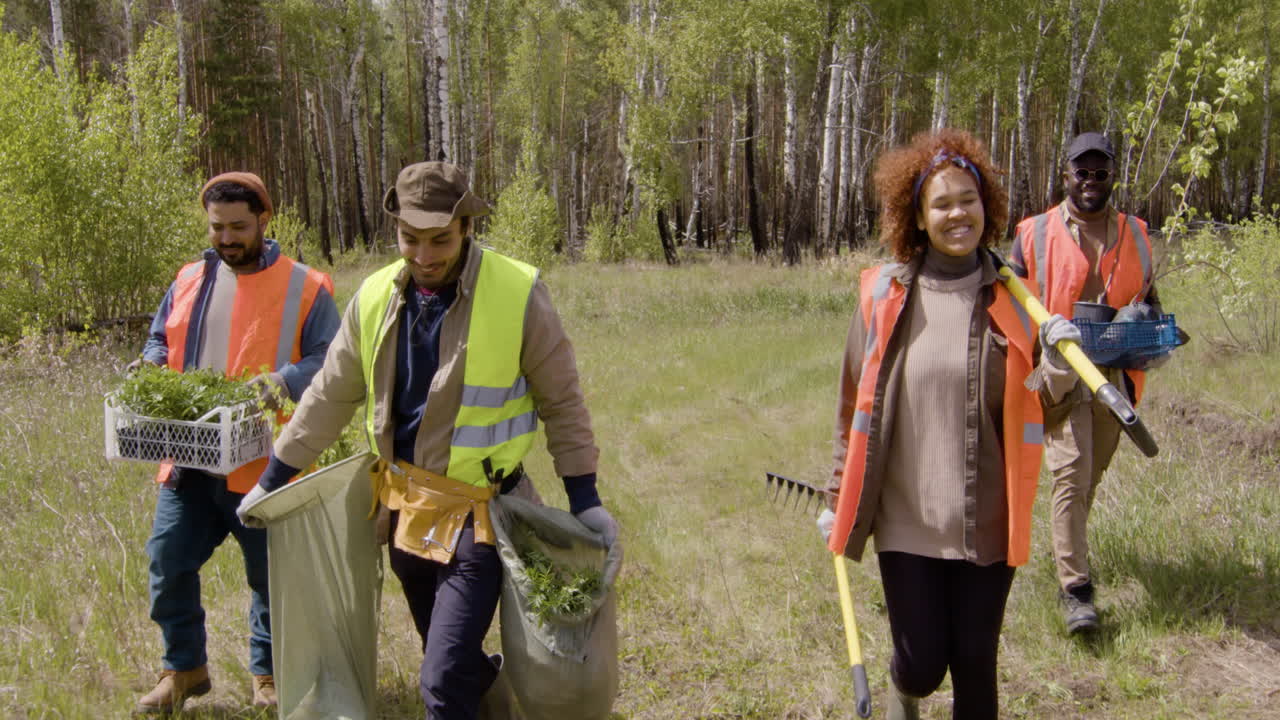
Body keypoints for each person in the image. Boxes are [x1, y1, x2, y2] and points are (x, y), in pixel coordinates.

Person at [237, 161, 618, 720]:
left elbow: (562, 404)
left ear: (467, 228)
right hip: (406, 516)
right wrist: (271, 481)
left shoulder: (518, 293)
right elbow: (327, 397)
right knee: (452, 664)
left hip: (483, 520)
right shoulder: (374, 297)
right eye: (409, 240)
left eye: (440, 240)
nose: (423, 256)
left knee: (438, 682)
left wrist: (585, 498)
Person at [816, 129, 1044, 720]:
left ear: (986, 206)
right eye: (941, 203)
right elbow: (852, 406)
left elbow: (1046, 411)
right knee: (920, 666)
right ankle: (904, 694)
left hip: (985, 518)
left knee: (975, 668)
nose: (956, 213)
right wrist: (838, 490)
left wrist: (1063, 366)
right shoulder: (882, 295)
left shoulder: (1017, 298)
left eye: (968, 199)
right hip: (906, 516)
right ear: (917, 216)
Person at [132, 172, 340, 714]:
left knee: (269, 578)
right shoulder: (188, 278)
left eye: (238, 227)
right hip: (190, 456)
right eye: (217, 227)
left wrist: (283, 381)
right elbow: (160, 336)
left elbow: (331, 357)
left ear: (264, 220)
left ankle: (267, 676)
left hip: (267, 462)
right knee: (167, 559)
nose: (226, 238)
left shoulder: (306, 286)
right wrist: (151, 364)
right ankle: (184, 670)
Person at [1010, 131, 1159, 634]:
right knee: (1070, 474)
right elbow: (1008, 307)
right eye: (1082, 172)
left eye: (1101, 173)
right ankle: (1077, 592)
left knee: (1087, 477)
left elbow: (1151, 298)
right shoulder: (1032, 233)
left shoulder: (1136, 232)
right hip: (1060, 373)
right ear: (1065, 174)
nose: (1091, 182)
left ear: (1112, 175)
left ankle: (1066, 555)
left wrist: (1148, 323)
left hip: (1115, 376)